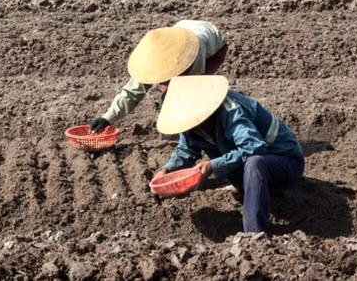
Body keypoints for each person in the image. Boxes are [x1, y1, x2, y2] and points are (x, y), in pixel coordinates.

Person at [153, 75, 305, 233]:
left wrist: (213, 165)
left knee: (255, 163)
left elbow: (254, 147)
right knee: (227, 156)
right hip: (259, 166)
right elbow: (187, 149)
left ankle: (254, 234)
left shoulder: (230, 110)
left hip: (286, 161)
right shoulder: (189, 119)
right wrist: (166, 170)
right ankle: (247, 187)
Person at [88, 20, 228, 133]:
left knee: (190, 96)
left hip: (212, 49)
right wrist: (107, 118)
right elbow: (132, 93)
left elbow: (191, 88)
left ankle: (201, 133)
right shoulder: (150, 59)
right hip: (181, 31)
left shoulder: (194, 51)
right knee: (170, 96)